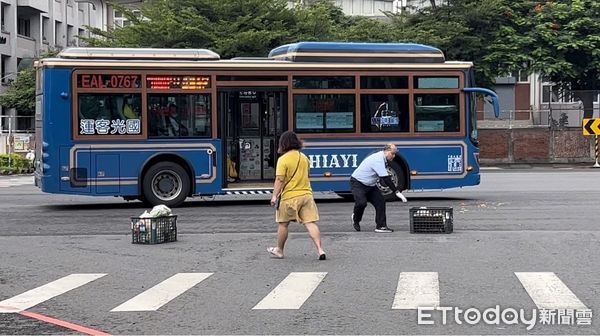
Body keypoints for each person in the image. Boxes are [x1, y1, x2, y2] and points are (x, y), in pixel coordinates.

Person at [268, 131, 326, 260]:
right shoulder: (304, 158)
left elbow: (279, 180)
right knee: (310, 223)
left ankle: (279, 250)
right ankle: (320, 249)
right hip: (306, 195)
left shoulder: (283, 160)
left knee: (283, 224)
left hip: (289, 197)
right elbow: (307, 176)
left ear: (283, 143)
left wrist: (274, 196)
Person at [350, 143, 407, 233]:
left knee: (380, 202)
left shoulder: (383, 158)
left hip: (371, 185)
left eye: (395, 153)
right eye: (392, 153)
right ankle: (356, 218)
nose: (394, 156)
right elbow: (386, 178)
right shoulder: (378, 159)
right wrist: (397, 192)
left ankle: (381, 226)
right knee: (361, 203)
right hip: (358, 183)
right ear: (386, 151)